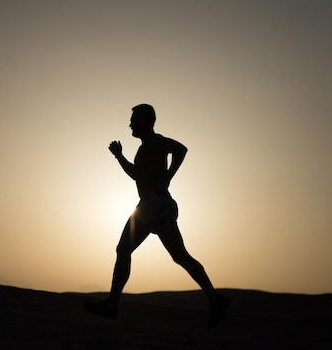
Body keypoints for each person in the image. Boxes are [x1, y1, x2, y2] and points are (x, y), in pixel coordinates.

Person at [84, 104, 230, 329]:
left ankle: (112, 305)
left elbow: (181, 149)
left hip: (153, 206)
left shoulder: (154, 141)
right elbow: (136, 175)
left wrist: (169, 175)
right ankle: (215, 299)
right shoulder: (146, 148)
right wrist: (119, 156)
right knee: (180, 256)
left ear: (145, 120)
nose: (130, 124)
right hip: (155, 206)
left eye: (134, 119)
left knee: (125, 250)